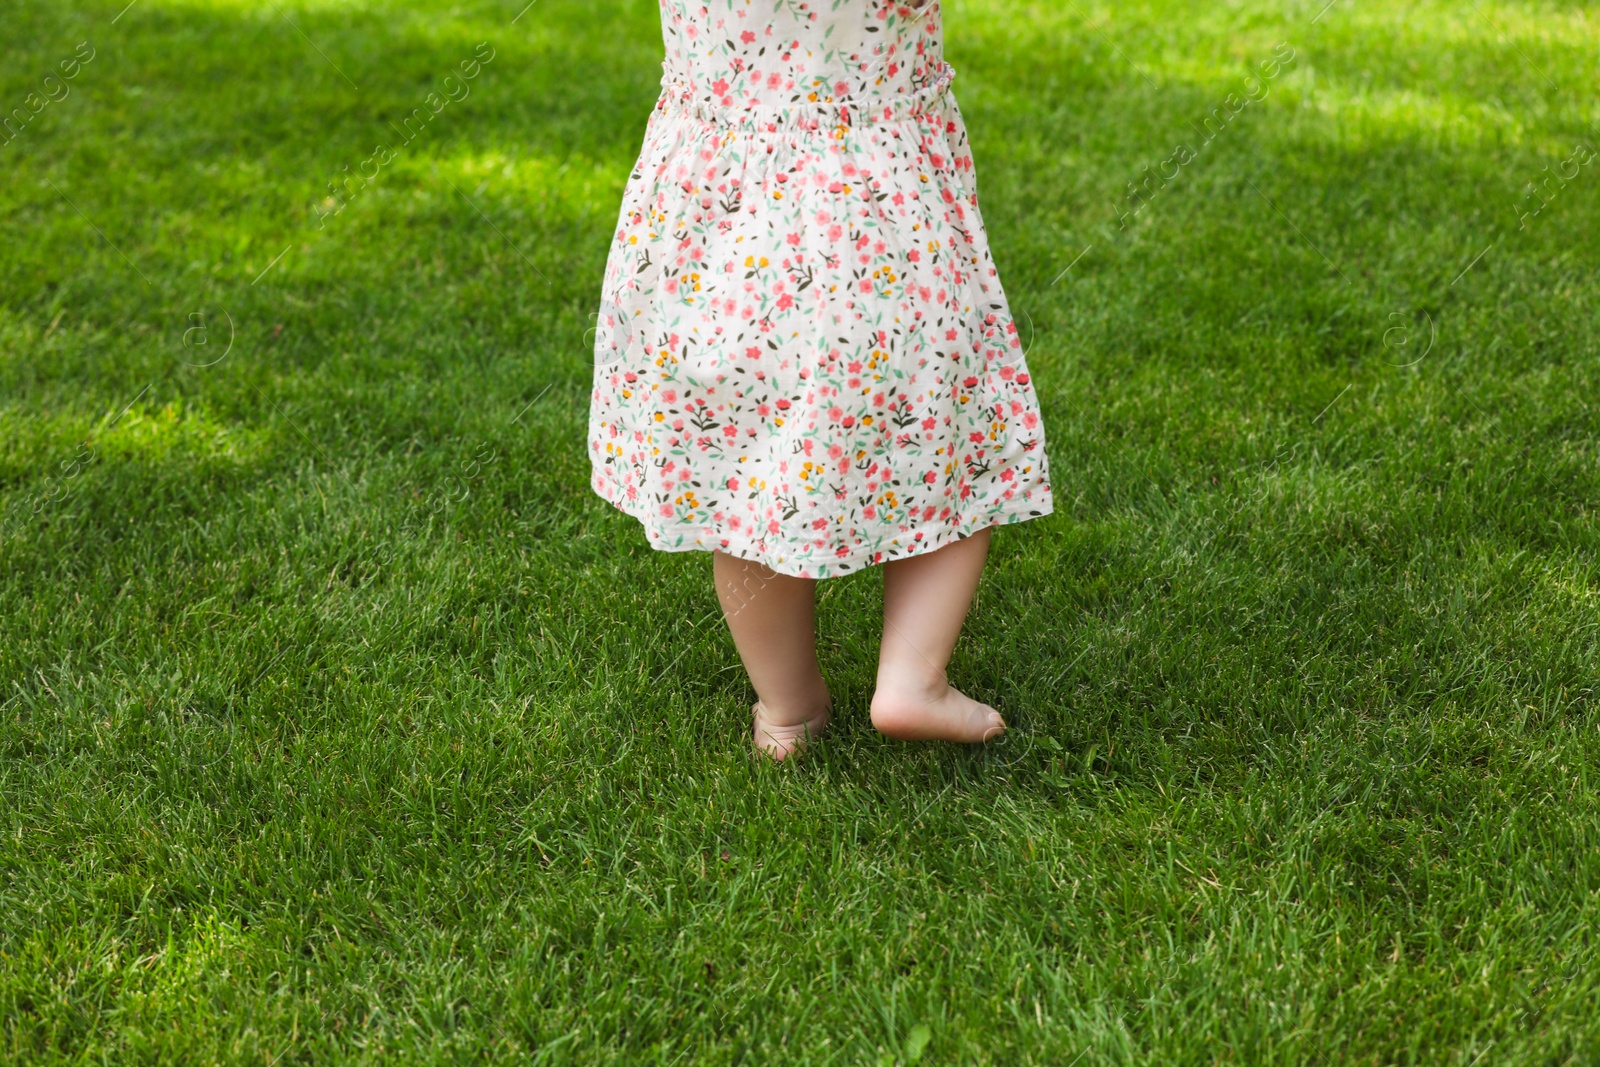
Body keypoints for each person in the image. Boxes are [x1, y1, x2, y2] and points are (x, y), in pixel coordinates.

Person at [587, 1, 1052, 759]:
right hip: (878, 224)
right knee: (946, 434)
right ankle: (911, 678)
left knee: (744, 469)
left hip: (720, 239)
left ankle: (789, 708)